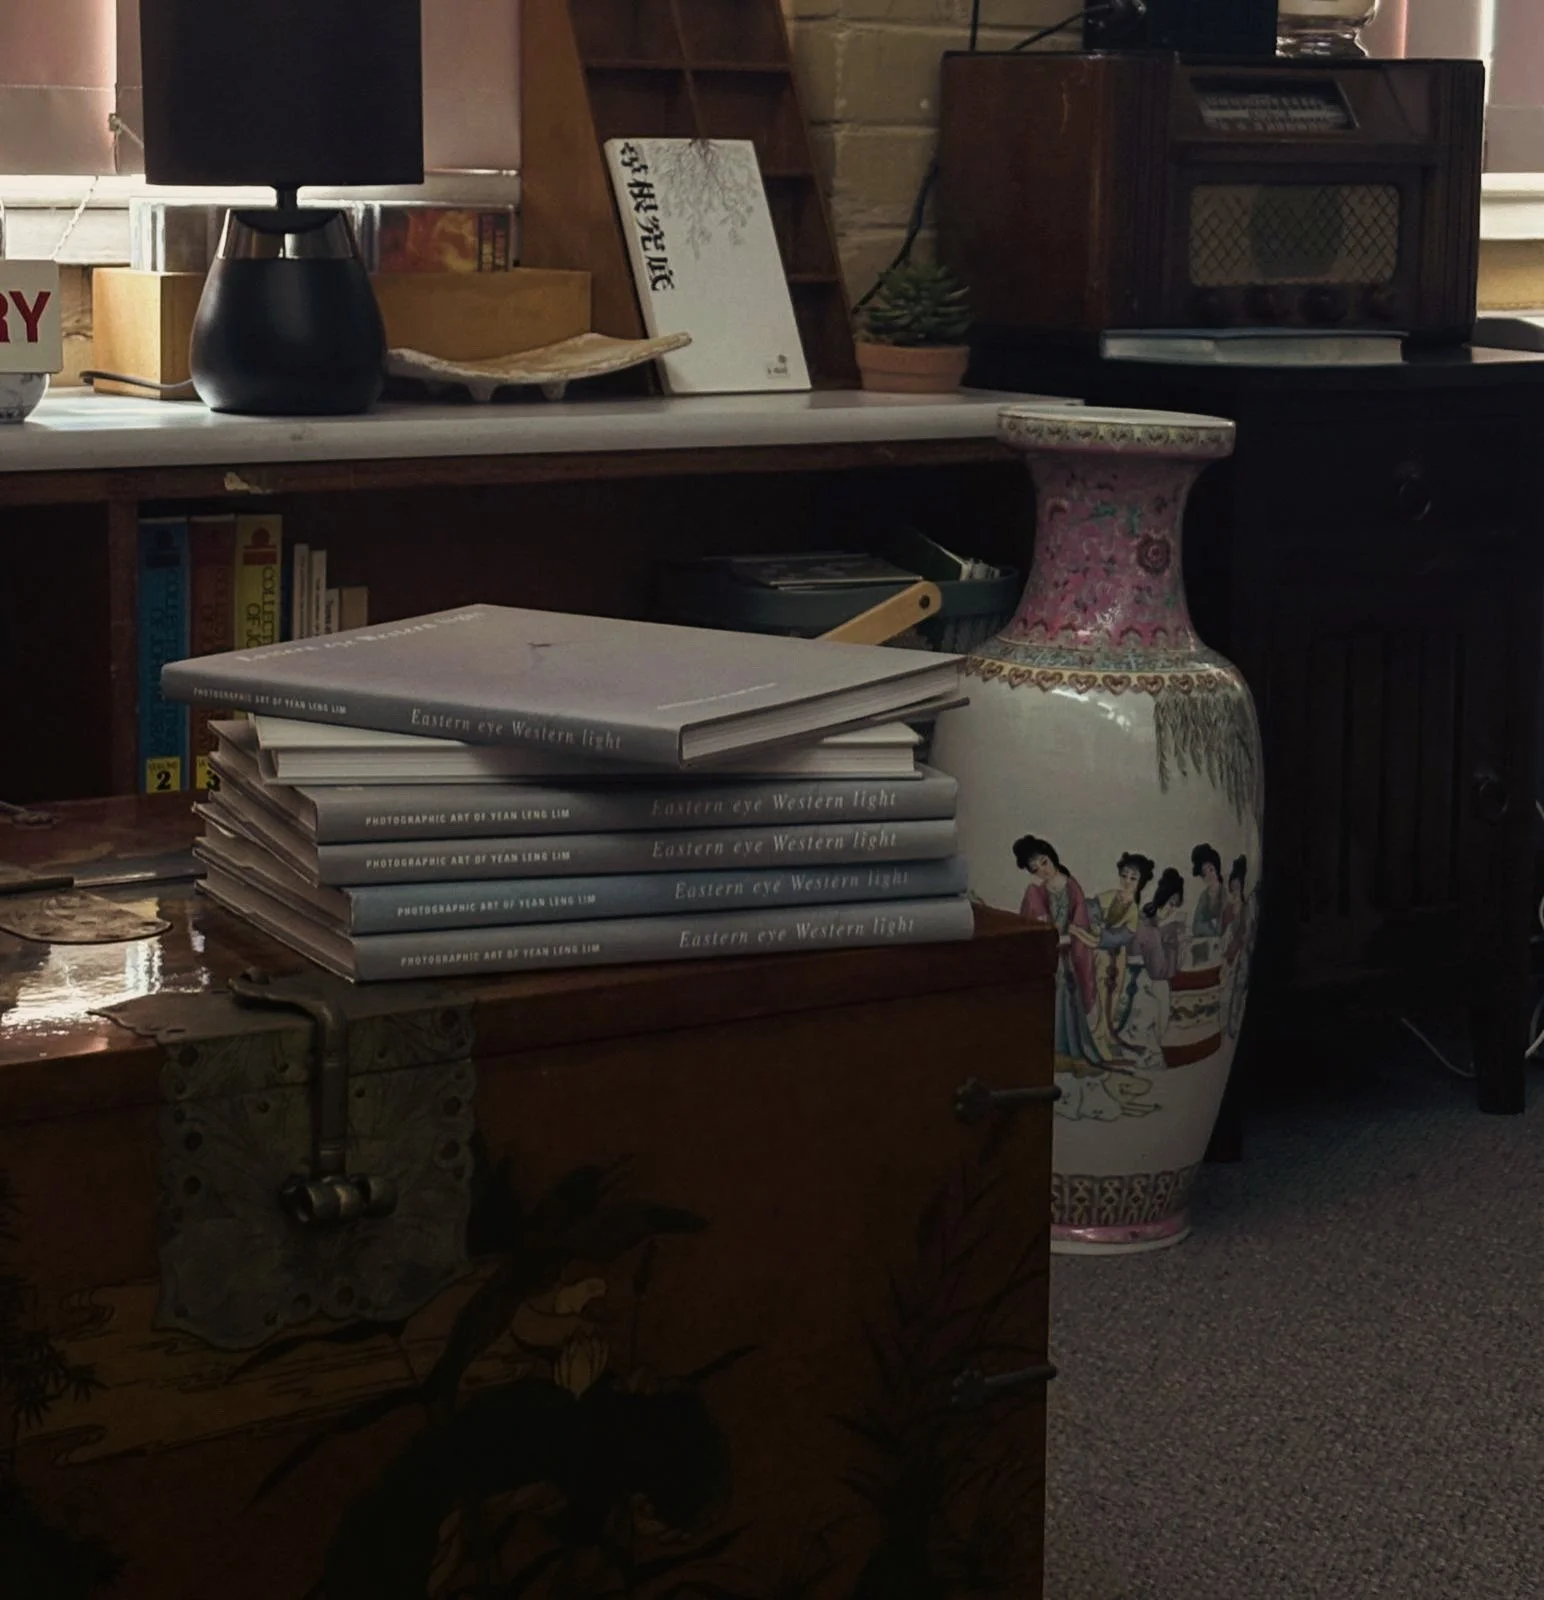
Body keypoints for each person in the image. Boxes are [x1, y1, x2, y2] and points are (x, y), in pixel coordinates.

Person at [1117, 868, 1187, 1072]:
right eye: (1171, 904)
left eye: (1175, 906)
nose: (1171, 910)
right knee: (1155, 1011)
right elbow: (1159, 971)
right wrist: (1176, 946)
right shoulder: (1151, 930)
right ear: (1162, 899)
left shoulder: (1144, 919)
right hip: (1144, 985)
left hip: (1131, 982)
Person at [1086, 852, 1154, 1058]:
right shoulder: (1109, 896)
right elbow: (1091, 907)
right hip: (1101, 954)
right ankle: (1098, 1032)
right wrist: (1096, 925)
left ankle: (1107, 1033)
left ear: (1140, 883)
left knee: (1114, 993)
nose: (1127, 881)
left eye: (1133, 878)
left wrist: (1104, 935)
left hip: (1117, 953)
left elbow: (1127, 934)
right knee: (1101, 991)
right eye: (1124, 876)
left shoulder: (1133, 908)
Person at [1220, 855, 1255, 1040]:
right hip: (1227, 950)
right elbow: (1222, 928)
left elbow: (1245, 932)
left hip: (1240, 953)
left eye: (1237, 886)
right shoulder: (1228, 907)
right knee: (1225, 990)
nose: (1234, 889)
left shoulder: (1245, 907)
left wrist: (1236, 948)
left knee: (1237, 989)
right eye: (1232, 885)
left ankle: (1232, 1027)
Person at [1190, 843, 1224, 946]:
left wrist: (1212, 927)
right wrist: (1212, 926)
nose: (1208, 875)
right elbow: (1196, 927)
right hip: (1208, 943)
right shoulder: (1204, 896)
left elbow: (1223, 926)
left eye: (1211, 869)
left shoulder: (1226, 892)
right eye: (1204, 872)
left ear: (1217, 869)